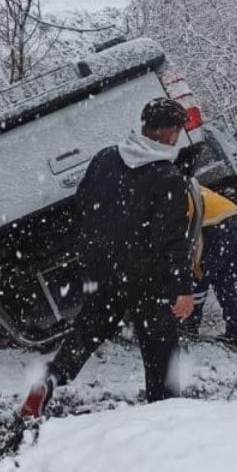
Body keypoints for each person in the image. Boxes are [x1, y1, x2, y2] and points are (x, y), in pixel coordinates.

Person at [19, 98, 195, 419]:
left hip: (103, 267)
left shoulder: (105, 158)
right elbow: (173, 240)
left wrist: (101, 248)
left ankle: (51, 377)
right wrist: (183, 288)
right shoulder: (168, 177)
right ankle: (165, 415)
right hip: (148, 276)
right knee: (160, 349)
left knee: (89, 329)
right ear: (171, 134)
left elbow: (82, 202)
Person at [186, 185, 237, 348]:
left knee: (199, 279)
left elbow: (195, 239)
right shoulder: (189, 187)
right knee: (224, 283)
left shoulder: (174, 199)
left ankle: (188, 330)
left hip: (221, 228)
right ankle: (236, 335)